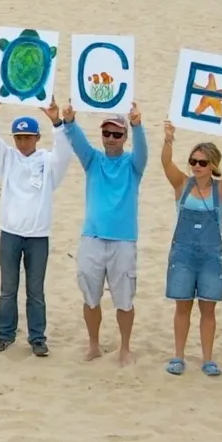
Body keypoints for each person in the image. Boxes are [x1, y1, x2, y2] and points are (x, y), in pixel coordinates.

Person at [0, 96, 73, 358]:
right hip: (10, 233)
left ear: (36, 138)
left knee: (36, 290)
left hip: (38, 236)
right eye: (19, 138)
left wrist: (56, 121)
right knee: (8, 288)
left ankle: (37, 338)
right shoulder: (7, 159)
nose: (23, 142)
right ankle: (5, 334)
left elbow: (65, 151)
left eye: (28, 137)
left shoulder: (47, 162)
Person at [64, 104, 147, 365]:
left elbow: (144, 151)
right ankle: (94, 345)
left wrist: (137, 125)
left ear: (124, 137)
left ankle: (124, 347)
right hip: (93, 237)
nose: (111, 138)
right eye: (107, 133)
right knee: (90, 295)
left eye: (117, 134)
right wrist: (68, 121)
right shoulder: (93, 160)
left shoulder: (133, 165)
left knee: (124, 298)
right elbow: (77, 142)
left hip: (123, 240)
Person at [161, 127, 222, 377]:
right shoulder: (182, 185)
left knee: (208, 310)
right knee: (182, 307)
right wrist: (168, 139)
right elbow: (165, 162)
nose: (196, 166)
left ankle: (208, 358)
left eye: (202, 162)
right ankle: (178, 356)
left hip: (210, 257)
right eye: (193, 161)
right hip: (183, 255)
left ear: (212, 165)